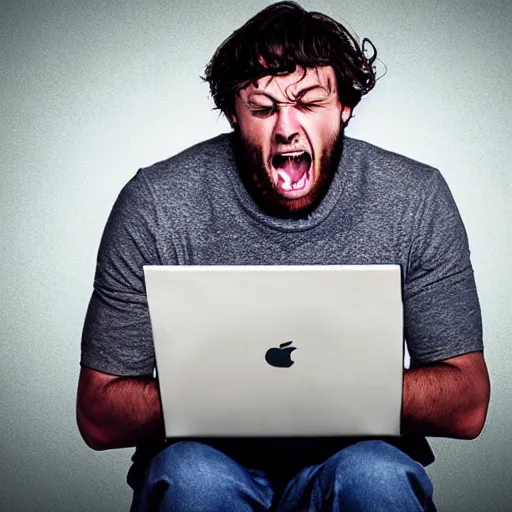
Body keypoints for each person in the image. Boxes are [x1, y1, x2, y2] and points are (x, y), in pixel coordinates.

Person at [76, 2, 490, 511]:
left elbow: (467, 404)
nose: (287, 128)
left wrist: (323, 384)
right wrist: (231, 390)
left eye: (309, 103)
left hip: (360, 457)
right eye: (264, 107)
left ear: (345, 105)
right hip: (202, 460)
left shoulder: (413, 197)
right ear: (233, 111)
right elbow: (98, 414)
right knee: (192, 481)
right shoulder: (158, 202)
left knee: (376, 477)